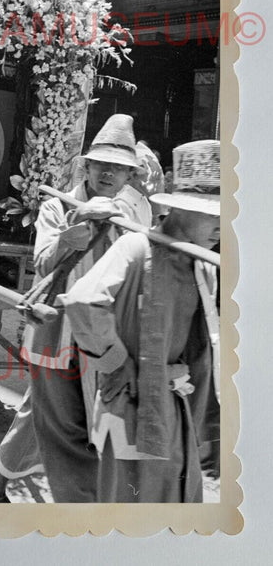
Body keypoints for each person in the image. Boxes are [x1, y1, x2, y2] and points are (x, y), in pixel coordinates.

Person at [0, 114, 140, 503]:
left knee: (95, 417)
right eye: (102, 165)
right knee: (39, 414)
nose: (109, 174)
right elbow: (45, 264)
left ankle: (92, 496)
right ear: (87, 166)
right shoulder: (57, 208)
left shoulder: (134, 215)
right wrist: (72, 236)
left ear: (129, 177)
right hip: (57, 332)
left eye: (119, 169)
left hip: (104, 336)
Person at [55, 139, 220, 502]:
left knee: (176, 497)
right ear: (178, 209)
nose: (220, 227)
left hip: (174, 404)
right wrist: (117, 362)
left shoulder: (202, 264)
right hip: (130, 402)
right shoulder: (137, 248)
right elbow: (83, 301)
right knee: (129, 505)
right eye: (212, 214)